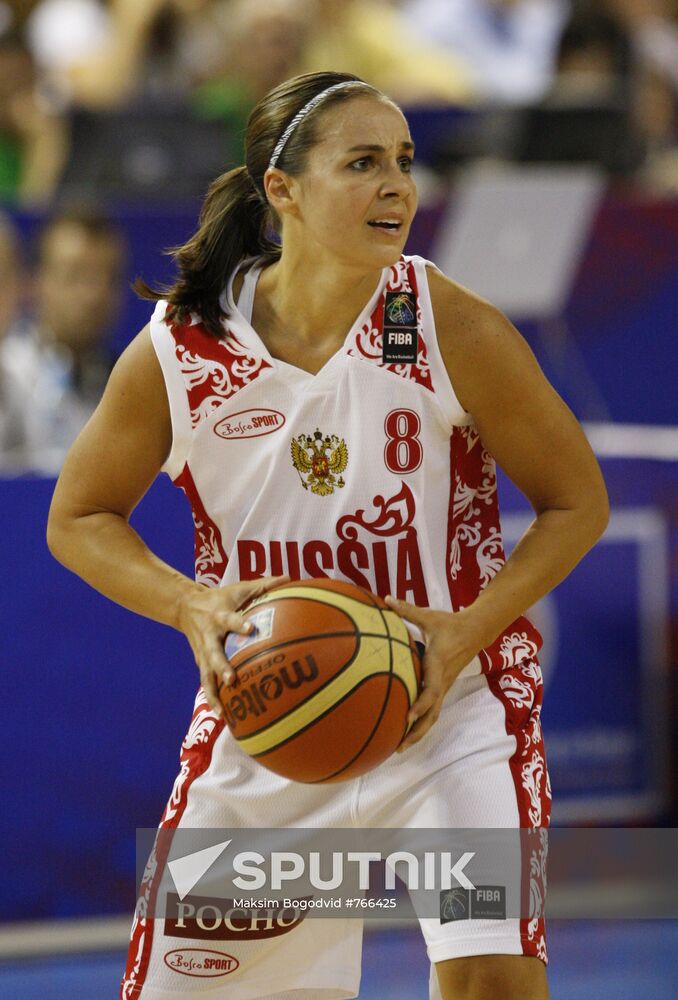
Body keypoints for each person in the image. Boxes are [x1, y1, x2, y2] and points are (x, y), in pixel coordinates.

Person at [46, 70, 609, 1000]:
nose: (397, 186)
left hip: (450, 709)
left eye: (404, 162)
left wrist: (468, 630)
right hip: (275, 712)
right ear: (283, 189)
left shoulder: (447, 324)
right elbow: (77, 515)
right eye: (362, 164)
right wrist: (190, 603)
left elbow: (576, 500)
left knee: (494, 981)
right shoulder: (183, 350)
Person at [1, 204, 125, 472]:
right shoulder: (7, 374)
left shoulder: (129, 381)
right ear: (35, 283)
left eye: (107, 277)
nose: (93, 294)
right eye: (75, 275)